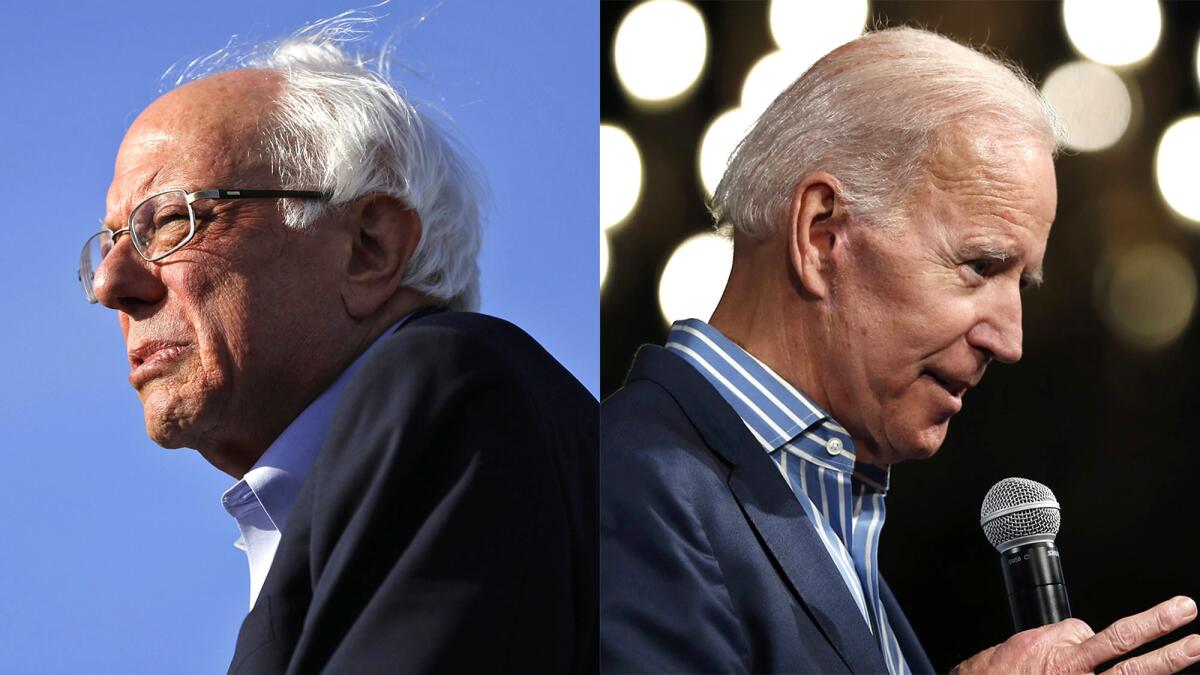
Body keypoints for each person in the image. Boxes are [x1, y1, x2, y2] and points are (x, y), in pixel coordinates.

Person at [600, 27, 1199, 674]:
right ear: (822, 234)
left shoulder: (829, 503)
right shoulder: (630, 483)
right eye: (979, 265)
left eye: (1020, 283)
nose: (1012, 340)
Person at [78, 21, 597, 675]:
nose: (110, 284)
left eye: (172, 219)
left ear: (367, 249)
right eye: (111, 241)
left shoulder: (451, 390)